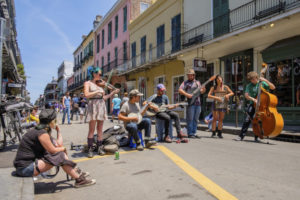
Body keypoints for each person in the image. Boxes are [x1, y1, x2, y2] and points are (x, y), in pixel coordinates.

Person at [13, 109, 96, 188]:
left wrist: (58, 131)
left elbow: (58, 145)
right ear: (51, 121)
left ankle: (75, 172)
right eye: (55, 120)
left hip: (27, 166)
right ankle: (79, 180)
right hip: (24, 168)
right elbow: (53, 150)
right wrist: (63, 149)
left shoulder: (42, 130)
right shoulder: (42, 133)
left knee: (60, 154)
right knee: (59, 156)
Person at [84, 66, 119, 158]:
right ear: (94, 74)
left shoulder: (100, 85)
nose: (100, 76)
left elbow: (103, 98)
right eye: (99, 74)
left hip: (101, 105)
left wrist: (112, 93)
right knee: (91, 129)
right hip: (93, 105)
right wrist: (96, 92)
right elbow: (86, 95)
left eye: (101, 74)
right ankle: (90, 149)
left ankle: (100, 147)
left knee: (100, 129)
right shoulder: (88, 83)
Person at [239, 70, 276, 141]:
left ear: (257, 77)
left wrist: (265, 80)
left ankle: (257, 136)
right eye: (251, 80)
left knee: (260, 121)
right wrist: (253, 99)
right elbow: (246, 95)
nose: (253, 81)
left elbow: (273, 87)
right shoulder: (249, 86)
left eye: (253, 79)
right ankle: (241, 136)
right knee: (247, 119)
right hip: (253, 104)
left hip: (263, 105)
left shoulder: (262, 83)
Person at [179, 69, 206, 138]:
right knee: (190, 119)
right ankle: (190, 133)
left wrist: (203, 90)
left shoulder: (198, 82)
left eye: (191, 75)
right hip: (190, 103)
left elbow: (202, 91)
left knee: (196, 119)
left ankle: (194, 132)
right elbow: (180, 90)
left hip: (198, 103)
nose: (189, 77)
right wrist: (187, 94)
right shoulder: (185, 83)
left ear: (194, 76)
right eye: (188, 75)